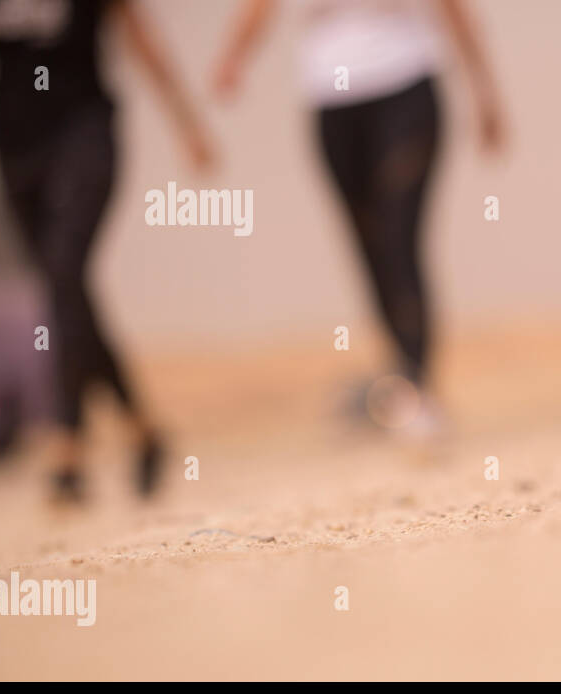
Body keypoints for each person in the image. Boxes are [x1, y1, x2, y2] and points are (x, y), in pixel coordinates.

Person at [212, 0, 506, 435]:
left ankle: (417, 386)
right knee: (367, 245)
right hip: (331, 102)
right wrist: (234, 58)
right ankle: (403, 372)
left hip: (406, 87)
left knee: (399, 235)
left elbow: (453, 7)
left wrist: (485, 91)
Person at [0, 0, 214, 502]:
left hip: (85, 132)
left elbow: (141, 36)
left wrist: (188, 125)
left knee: (64, 272)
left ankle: (68, 441)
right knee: (63, 285)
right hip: (15, 144)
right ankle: (143, 428)